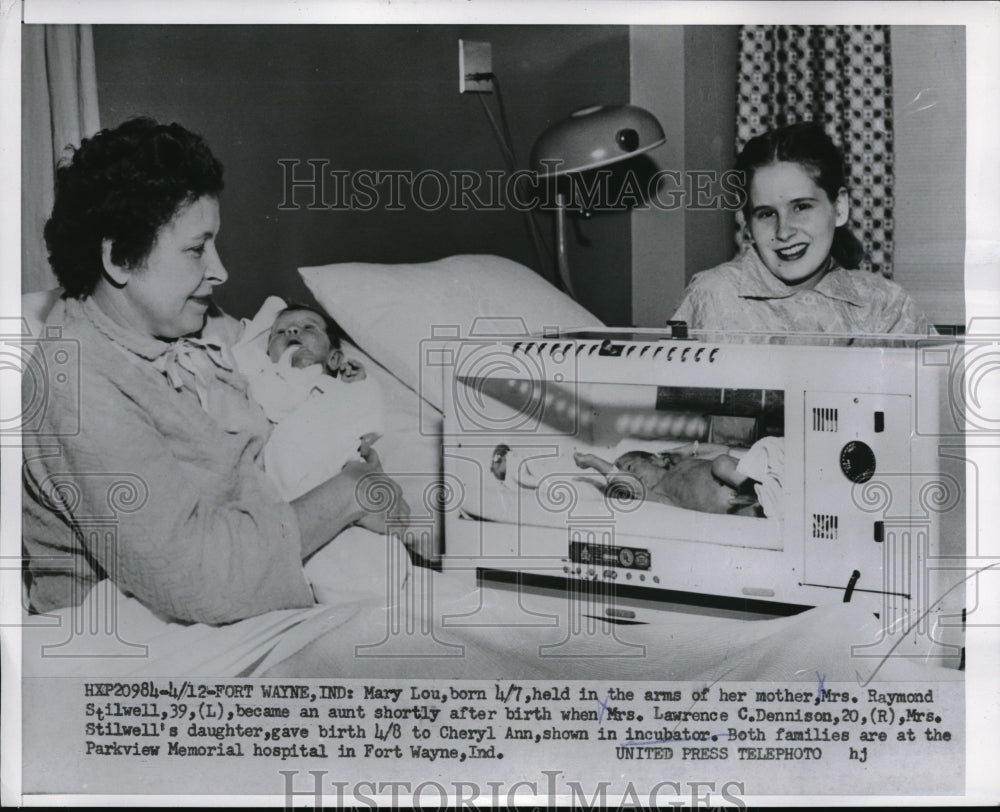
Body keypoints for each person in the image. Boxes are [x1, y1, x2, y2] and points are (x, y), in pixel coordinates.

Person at [22, 117, 408, 625]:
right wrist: (347, 494)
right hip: (127, 637)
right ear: (118, 256)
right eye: (197, 248)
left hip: (246, 599)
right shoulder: (75, 382)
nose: (220, 271)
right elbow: (199, 582)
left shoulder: (188, 328)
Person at [672, 121, 933, 335]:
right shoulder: (712, 294)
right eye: (766, 214)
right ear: (748, 224)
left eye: (801, 207)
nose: (784, 231)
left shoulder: (885, 305)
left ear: (839, 207)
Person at [232, 301, 385, 501]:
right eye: (280, 332)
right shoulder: (270, 377)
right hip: (290, 474)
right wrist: (289, 369)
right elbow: (274, 405)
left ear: (334, 359)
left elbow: (370, 419)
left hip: (341, 467)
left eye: (308, 327)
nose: (293, 330)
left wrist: (361, 384)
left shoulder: (339, 390)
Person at [572, 448, 763, 517]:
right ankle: (763, 495)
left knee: (721, 463)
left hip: (744, 482)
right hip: (742, 507)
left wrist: (687, 450)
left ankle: (763, 490)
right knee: (721, 465)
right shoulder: (658, 495)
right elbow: (631, 485)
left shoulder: (683, 464)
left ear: (657, 460)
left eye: (631, 468)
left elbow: (723, 448)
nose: (631, 477)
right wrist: (593, 461)